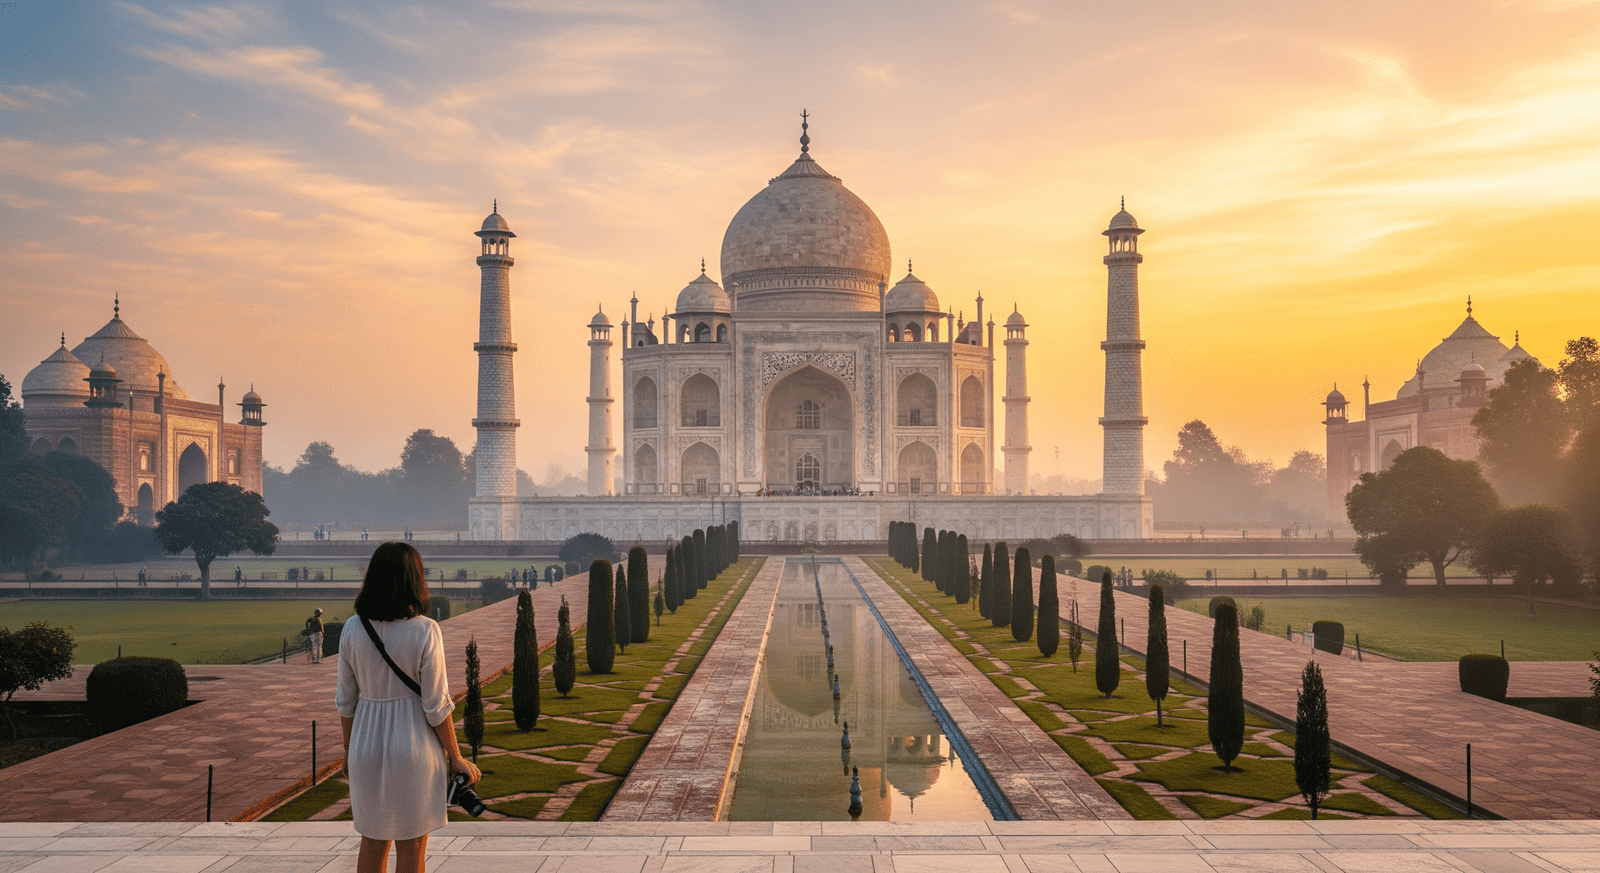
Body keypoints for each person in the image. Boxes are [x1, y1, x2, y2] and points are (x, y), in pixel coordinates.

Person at [337, 542, 480, 873]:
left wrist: (347, 750)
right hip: (414, 746)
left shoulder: (352, 629)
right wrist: (456, 757)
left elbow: (345, 701)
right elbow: (435, 706)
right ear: (414, 579)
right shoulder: (425, 630)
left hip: (365, 744)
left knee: (372, 843)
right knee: (412, 845)